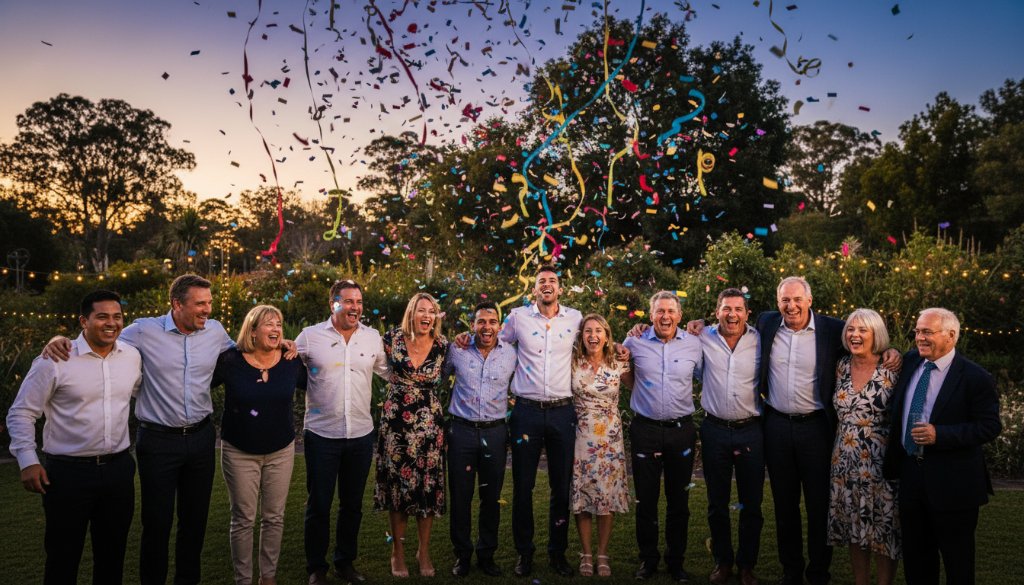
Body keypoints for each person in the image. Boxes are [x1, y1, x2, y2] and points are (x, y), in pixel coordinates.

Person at [42, 274, 251, 585]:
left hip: (202, 438)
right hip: (157, 441)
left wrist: (283, 343)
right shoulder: (142, 330)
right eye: (200, 303)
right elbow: (101, 338)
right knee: (156, 522)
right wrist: (63, 341)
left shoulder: (216, 331)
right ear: (177, 304)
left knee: (195, 522)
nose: (208, 309)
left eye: (209, 303)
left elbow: (246, 351)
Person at [757, 276, 904, 585]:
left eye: (798, 299)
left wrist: (894, 352)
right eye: (785, 299)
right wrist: (697, 326)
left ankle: (819, 572)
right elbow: (733, 326)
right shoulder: (767, 323)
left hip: (816, 430)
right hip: (777, 426)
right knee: (784, 505)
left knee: (819, 504)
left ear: (810, 301)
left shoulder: (831, 328)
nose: (791, 305)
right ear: (777, 302)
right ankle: (791, 570)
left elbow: (867, 342)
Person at [7, 290, 142, 585]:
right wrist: (28, 461)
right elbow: (21, 413)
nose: (112, 323)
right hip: (68, 474)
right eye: (102, 316)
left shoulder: (132, 357)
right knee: (62, 557)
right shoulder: (55, 359)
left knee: (113, 557)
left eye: (117, 316)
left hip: (118, 471)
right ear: (84, 321)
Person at [883, 308, 1001, 585]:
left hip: (954, 484)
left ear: (951, 335)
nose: (919, 338)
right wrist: (891, 351)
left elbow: (989, 426)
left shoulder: (975, 377)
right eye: (917, 331)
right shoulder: (911, 361)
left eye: (927, 332)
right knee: (917, 561)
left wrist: (941, 434)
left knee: (957, 562)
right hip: (912, 477)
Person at [296, 279, 389, 585]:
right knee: (319, 504)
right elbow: (281, 361)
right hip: (322, 435)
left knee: (352, 504)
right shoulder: (309, 338)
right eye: (349, 301)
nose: (355, 307)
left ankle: (345, 563)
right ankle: (316, 568)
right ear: (332, 303)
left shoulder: (372, 338)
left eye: (359, 302)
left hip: (361, 435)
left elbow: (392, 372)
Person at [496, 265, 582, 578]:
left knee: (561, 487)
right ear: (534, 290)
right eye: (541, 281)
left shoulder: (575, 318)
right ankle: (524, 553)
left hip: (562, 411)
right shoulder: (517, 318)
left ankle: (558, 553)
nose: (547, 285)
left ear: (560, 289)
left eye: (552, 281)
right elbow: (496, 345)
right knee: (523, 485)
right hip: (526, 413)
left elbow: (597, 338)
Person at [213, 305, 306, 585]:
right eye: (269, 324)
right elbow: (197, 383)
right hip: (239, 451)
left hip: (280, 449)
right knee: (243, 518)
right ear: (252, 331)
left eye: (278, 323)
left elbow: (319, 379)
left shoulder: (291, 361)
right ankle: (243, 579)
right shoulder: (230, 361)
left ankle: (268, 577)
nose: (276, 329)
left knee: (274, 517)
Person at [625, 290, 703, 582]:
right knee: (645, 500)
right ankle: (648, 560)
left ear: (680, 315)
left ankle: (676, 561)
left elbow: (707, 376)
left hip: (681, 431)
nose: (665, 316)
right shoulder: (634, 341)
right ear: (651, 315)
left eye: (671, 311)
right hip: (644, 429)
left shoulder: (695, 345)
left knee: (678, 501)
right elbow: (620, 368)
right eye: (660, 311)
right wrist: (638, 392)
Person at [374, 292, 449, 578]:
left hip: (430, 428)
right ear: (411, 313)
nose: (427, 316)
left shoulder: (443, 346)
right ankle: (398, 553)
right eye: (421, 310)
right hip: (397, 426)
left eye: (432, 311)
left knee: (427, 488)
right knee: (399, 490)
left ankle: (424, 551)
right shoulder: (391, 339)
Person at [827, 309, 901, 585]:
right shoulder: (842, 365)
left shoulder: (892, 366)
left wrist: (895, 351)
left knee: (883, 525)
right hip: (844, 457)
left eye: (863, 330)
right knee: (853, 524)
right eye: (851, 330)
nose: (855, 335)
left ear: (876, 334)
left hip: (879, 458)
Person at [443, 301, 517, 578]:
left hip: (495, 432)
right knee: (460, 497)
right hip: (461, 431)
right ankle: (462, 555)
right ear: (473, 325)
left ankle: (487, 554)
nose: (487, 327)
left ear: (499, 325)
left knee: (491, 496)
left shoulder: (511, 354)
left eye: (492, 321)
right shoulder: (457, 350)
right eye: (481, 322)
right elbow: (437, 378)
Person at [698, 288, 764, 585]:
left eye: (738, 309)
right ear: (717, 311)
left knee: (752, 503)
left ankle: (747, 565)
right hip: (714, 430)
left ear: (747, 313)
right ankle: (723, 562)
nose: (732, 314)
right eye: (726, 308)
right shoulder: (701, 338)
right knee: (717, 502)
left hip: (751, 429)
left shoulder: (760, 339)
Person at [570, 314, 633, 578]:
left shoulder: (618, 362)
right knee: (584, 495)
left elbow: (636, 388)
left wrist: (626, 352)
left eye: (598, 331)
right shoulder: (572, 362)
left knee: (606, 496)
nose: (593, 335)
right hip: (582, 436)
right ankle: (586, 553)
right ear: (582, 336)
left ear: (607, 335)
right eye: (588, 331)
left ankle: (603, 553)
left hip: (609, 437)